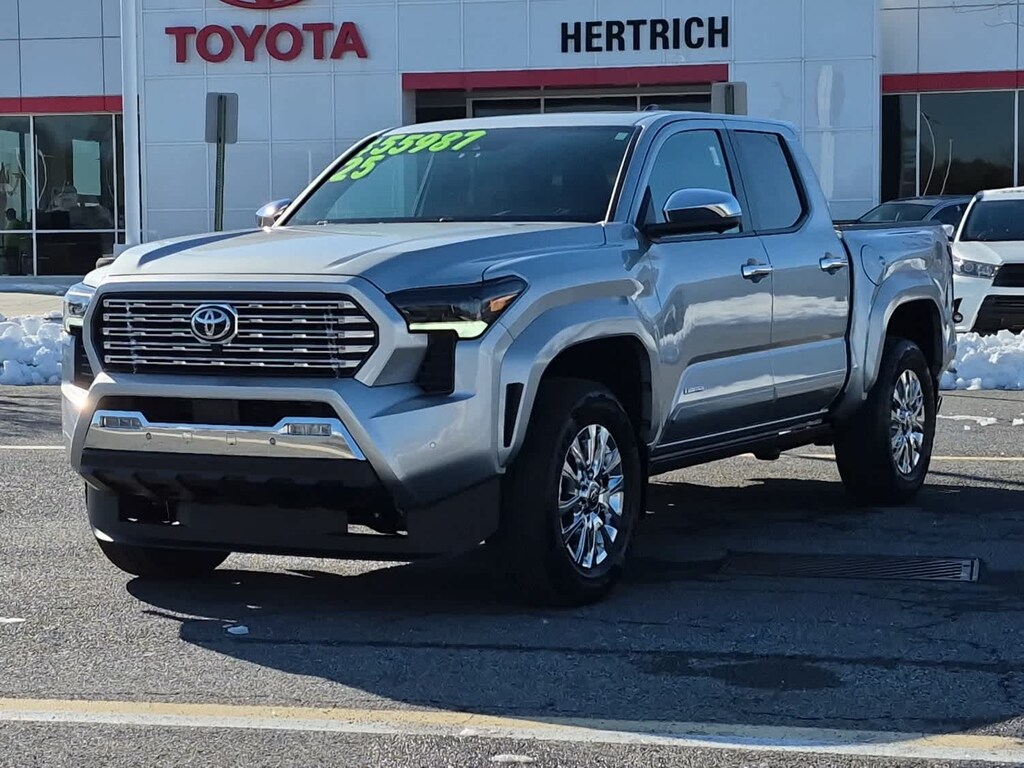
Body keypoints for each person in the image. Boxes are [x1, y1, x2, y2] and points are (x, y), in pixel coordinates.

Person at [2, 208, 30, 275]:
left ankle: (15, 274)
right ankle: (12, 273)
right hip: (8, 246)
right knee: (10, 262)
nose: (6, 216)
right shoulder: (9, 223)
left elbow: (23, 233)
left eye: (8, 214)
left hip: (14, 247)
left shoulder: (17, 223)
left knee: (13, 262)